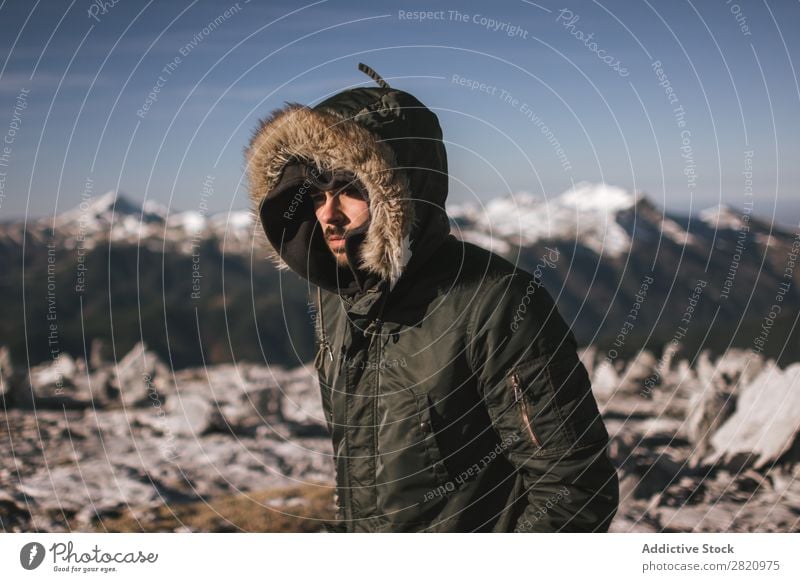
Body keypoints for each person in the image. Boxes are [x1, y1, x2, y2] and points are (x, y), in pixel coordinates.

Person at [245, 63, 619, 532]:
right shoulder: (339, 300)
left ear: (402, 191)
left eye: (349, 190)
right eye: (316, 196)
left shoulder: (495, 303)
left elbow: (575, 488)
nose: (329, 215)